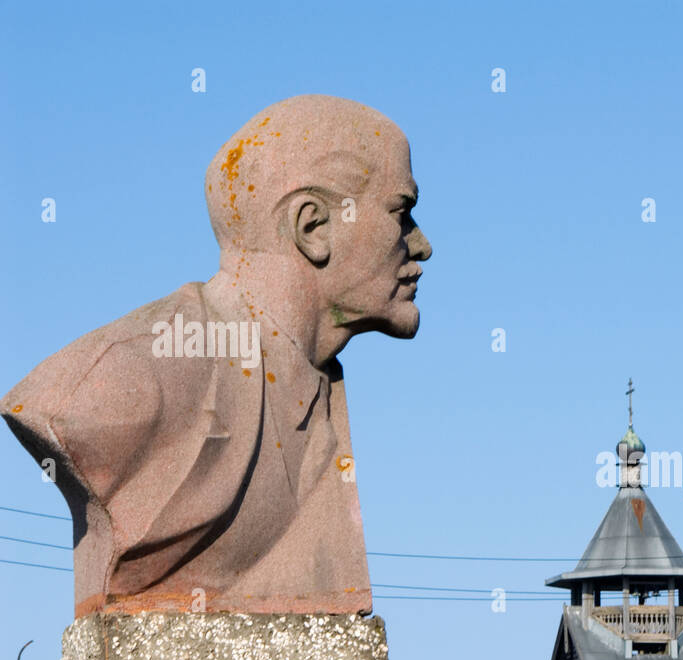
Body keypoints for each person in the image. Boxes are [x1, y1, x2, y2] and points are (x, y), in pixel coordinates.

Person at [2, 95, 432, 616]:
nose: (422, 245)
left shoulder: (320, 384)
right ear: (313, 227)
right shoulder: (121, 379)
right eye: (402, 213)